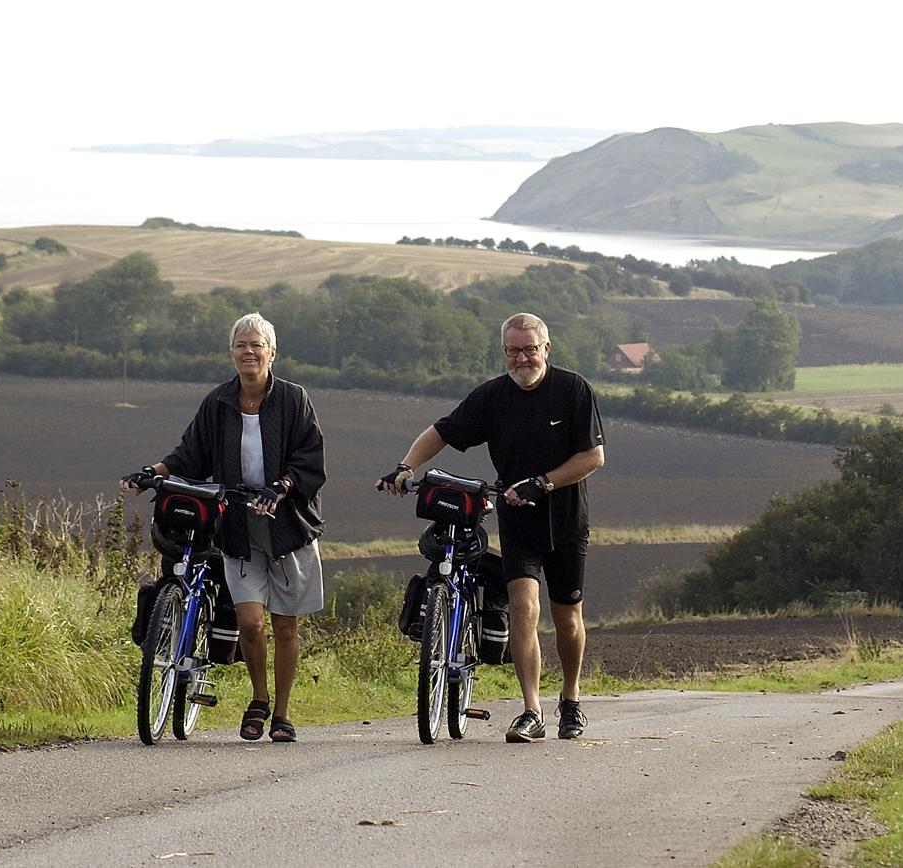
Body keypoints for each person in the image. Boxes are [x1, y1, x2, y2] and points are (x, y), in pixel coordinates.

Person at [376, 312, 605, 742]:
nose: (522, 358)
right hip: (517, 520)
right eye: (514, 351)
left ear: (546, 349)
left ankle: (570, 700)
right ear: (504, 352)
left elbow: (593, 457)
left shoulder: (573, 390)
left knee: (567, 618)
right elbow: (443, 430)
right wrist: (405, 467)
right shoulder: (493, 397)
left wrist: (544, 483)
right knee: (523, 607)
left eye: (530, 349)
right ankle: (531, 710)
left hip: (567, 520)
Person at [121, 312, 326, 743]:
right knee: (250, 622)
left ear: (272, 352)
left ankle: (283, 715)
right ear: (231, 353)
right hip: (235, 524)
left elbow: (310, 459)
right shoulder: (218, 402)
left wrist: (281, 486)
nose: (248, 352)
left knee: (286, 625)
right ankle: (258, 699)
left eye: (256, 345)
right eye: (240, 345)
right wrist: (150, 471)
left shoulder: (293, 399)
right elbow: (189, 453)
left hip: (288, 526)